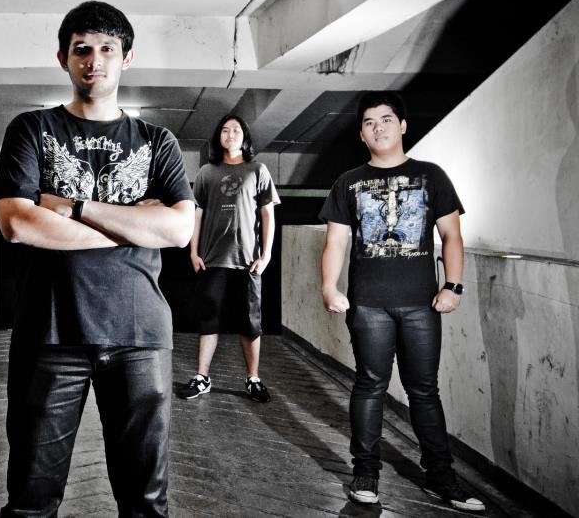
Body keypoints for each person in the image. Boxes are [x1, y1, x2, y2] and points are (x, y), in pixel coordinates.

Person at [0, 1, 194, 515]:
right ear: (63, 58)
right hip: (50, 332)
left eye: (107, 48)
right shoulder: (32, 129)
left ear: (127, 58)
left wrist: (75, 208)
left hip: (140, 335)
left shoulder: (157, 141)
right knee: (31, 500)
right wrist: (131, 229)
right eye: (82, 49)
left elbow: (178, 229)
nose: (94, 60)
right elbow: (17, 223)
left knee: (145, 503)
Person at [319, 92, 484, 512]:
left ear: (403, 125)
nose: (379, 127)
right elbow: (336, 241)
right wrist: (329, 287)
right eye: (369, 122)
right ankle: (366, 472)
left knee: (424, 390)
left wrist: (454, 286)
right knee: (369, 385)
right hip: (368, 305)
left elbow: (451, 235)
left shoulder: (432, 175)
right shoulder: (348, 182)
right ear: (361, 134)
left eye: (386, 119)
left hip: (421, 305)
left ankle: (440, 477)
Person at [178, 114, 280, 402]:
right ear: (218, 137)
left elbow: (268, 214)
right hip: (212, 260)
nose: (230, 134)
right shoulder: (206, 172)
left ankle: (253, 379)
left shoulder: (258, 170)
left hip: (248, 261)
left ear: (244, 137)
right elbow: (197, 214)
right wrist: (193, 251)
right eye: (225, 130)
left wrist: (266, 255)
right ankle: (202, 377)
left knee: (250, 324)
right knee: (209, 321)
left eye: (236, 130)